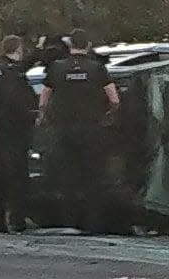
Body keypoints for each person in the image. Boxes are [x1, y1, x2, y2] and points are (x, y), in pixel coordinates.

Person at [38, 29, 120, 232]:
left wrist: (49, 119)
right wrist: (106, 117)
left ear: (70, 45)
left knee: (67, 177)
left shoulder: (56, 68)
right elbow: (114, 99)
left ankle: (69, 221)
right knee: (93, 176)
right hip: (91, 130)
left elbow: (43, 101)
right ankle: (93, 222)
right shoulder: (98, 68)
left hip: (63, 130)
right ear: (88, 45)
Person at [0, 36, 37, 233]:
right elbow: (17, 102)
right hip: (14, 132)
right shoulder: (12, 73)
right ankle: (16, 220)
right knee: (16, 177)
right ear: (18, 49)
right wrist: (31, 115)